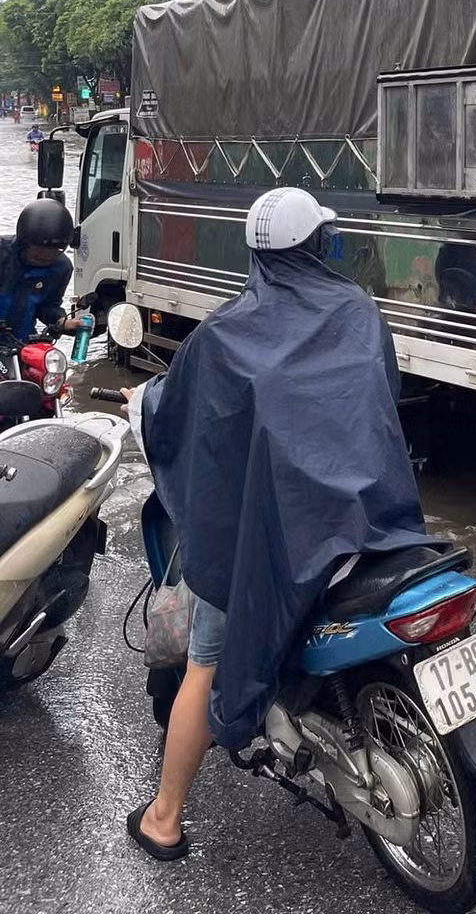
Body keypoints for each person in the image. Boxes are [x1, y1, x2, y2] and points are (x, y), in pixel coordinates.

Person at [123, 187, 432, 862]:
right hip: (371, 522)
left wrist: (141, 403)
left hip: (276, 541)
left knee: (206, 661)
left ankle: (164, 819)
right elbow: (381, 398)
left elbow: (179, 418)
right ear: (321, 245)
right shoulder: (357, 309)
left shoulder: (224, 334)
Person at [0, 199, 84, 341]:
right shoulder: (3, 253)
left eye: (53, 252)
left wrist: (62, 322)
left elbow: (48, 305)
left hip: (20, 343)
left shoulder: (61, 268)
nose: (45, 257)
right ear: (24, 242)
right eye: (38, 252)